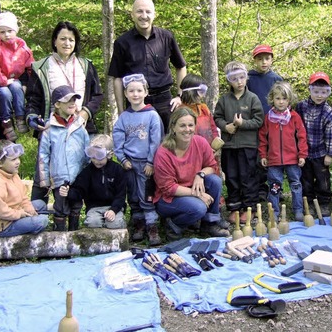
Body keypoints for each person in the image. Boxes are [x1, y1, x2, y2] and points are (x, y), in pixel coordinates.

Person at [26, 21, 103, 203]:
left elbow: (97, 95)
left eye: (71, 39)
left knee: (87, 173)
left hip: (80, 127)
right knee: (43, 174)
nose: (67, 43)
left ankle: (91, 215)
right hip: (52, 128)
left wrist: (85, 113)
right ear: (54, 41)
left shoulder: (85, 65)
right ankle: (39, 214)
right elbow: (33, 98)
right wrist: (31, 116)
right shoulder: (42, 66)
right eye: (63, 39)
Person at [109, 0, 187, 128]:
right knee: (139, 146)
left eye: (148, 12)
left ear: (154, 14)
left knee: (168, 145)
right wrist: (122, 112)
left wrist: (180, 96)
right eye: (139, 11)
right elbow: (117, 78)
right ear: (132, 14)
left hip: (165, 103)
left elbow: (181, 66)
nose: (144, 16)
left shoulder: (166, 37)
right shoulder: (122, 43)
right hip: (136, 102)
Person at [154, 107, 231, 240]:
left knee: (214, 181)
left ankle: (209, 224)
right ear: (173, 127)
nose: (187, 129)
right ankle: (173, 226)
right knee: (199, 208)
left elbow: (211, 166)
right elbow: (168, 188)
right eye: (182, 125)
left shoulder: (200, 142)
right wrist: (198, 194)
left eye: (190, 125)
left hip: (191, 189)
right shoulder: (164, 152)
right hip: (167, 198)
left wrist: (200, 174)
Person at [112, 74, 164, 244]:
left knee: (146, 195)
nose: (135, 94)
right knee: (133, 195)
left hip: (146, 164)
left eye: (139, 90)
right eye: (131, 91)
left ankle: (152, 227)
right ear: (125, 94)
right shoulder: (124, 117)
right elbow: (118, 138)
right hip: (129, 163)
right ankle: (138, 224)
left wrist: (151, 162)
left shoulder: (152, 115)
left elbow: (156, 140)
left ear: (146, 92)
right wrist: (122, 159)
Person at [214, 61, 264, 223]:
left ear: (246, 77)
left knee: (248, 177)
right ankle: (234, 208)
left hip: (248, 146)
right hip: (229, 146)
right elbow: (217, 118)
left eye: (242, 77)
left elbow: (259, 121)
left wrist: (243, 124)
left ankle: (249, 209)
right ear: (229, 81)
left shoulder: (252, 98)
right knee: (232, 176)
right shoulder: (224, 100)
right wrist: (226, 126)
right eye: (234, 79)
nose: (239, 82)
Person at [37, 85, 90, 232]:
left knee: (76, 206)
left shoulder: (80, 125)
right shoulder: (49, 128)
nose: (72, 103)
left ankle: (74, 238)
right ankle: (59, 239)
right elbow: (43, 155)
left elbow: (87, 152)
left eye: (74, 100)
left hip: (78, 177)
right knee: (60, 208)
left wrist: (87, 175)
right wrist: (45, 180)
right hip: (59, 178)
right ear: (57, 104)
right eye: (68, 100)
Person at [259, 82, 308, 220]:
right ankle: (274, 211)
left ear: (289, 100)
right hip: (274, 160)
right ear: (272, 99)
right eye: (278, 98)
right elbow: (263, 137)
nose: (281, 102)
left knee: (296, 184)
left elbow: (302, 136)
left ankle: (298, 209)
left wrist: (302, 154)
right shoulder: (268, 118)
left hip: (292, 159)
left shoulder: (294, 117)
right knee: (274, 186)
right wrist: (263, 154)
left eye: (284, 99)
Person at [0, 141, 49, 237]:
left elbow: (23, 196)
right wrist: (20, 214)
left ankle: (29, 225)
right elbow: (0, 212)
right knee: (42, 220)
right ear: (0, 163)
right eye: (13, 160)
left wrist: (28, 209)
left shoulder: (13, 175)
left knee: (40, 204)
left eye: (18, 158)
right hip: (5, 226)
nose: (18, 162)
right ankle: (27, 234)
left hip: (16, 213)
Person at [0, 11, 34, 141]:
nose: (6, 35)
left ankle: (20, 116)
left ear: (16, 30)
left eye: (9, 31)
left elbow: (30, 66)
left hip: (16, 79)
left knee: (17, 87)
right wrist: (3, 81)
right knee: (5, 94)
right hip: (1, 81)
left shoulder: (22, 48)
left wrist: (29, 84)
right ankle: (6, 121)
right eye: (2, 32)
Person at [295, 72, 332, 216]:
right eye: (316, 92)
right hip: (304, 152)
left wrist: (330, 154)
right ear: (310, 90)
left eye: (324, 92)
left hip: (320, 152)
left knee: (323, 180)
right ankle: (309, 202)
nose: (320, 95)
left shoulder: (328, 112)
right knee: (305, 179)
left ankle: (324, 202)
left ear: (328, 93)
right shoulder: (301, 107)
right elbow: (295, 127)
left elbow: (331, 134)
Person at [179, 74, 225, 202]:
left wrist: (216, 143)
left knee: (214, 177)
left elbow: (213, 127)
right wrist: (204, 151)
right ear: (191, 92)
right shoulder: (182, 111)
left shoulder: (204, 108)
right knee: (196, 179)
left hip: (211, 153)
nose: (203, 95)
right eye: (201, 91)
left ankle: (216, 205)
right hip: (193, 156)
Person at [67, 135, 127, 230]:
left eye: (99, 156)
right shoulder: (87, 171)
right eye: (93, 157)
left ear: (109, 154)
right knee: (93, 223)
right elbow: (79, 190)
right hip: (94, 208)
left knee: (115, 224)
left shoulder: (117, 170)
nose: (96, 161)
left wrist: (114, 210)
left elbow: (121, 195)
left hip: (113, 207)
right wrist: (69, 192)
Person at [247, 44, 283, 201]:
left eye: (267, 59)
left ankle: (276, 189)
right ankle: (261, 189)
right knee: (258, 158)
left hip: (274, 125)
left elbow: (283, 100)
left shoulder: (276, 79)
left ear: (272, 60)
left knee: (274, 157)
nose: (264, 62)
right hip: (254, 124)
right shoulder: (248, 78)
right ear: (254, 60)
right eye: (260, 59)